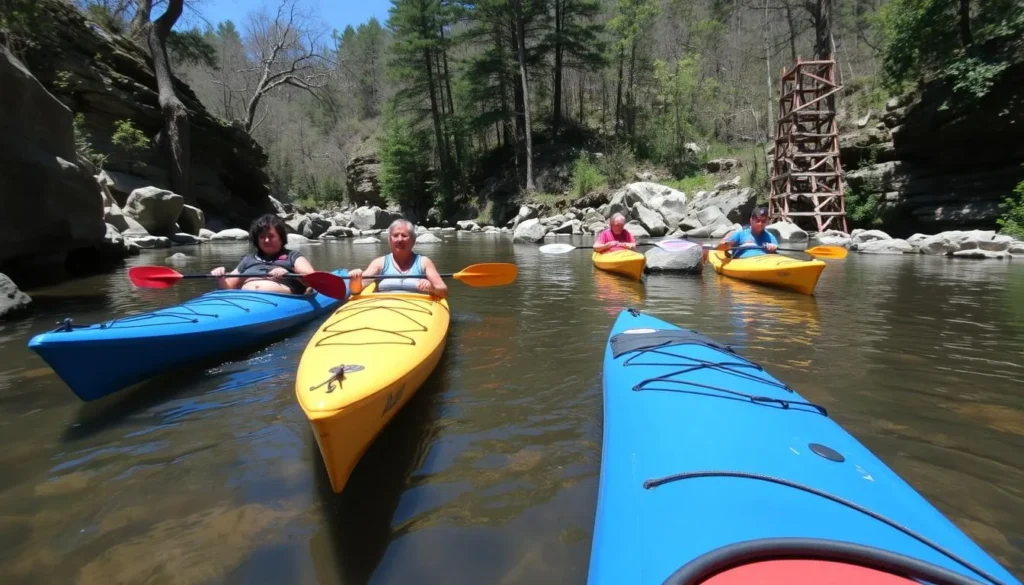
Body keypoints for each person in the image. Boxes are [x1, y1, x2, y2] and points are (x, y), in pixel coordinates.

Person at [209, 214, 315, 294]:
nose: (266, 240)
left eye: (271, 236)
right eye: (262, 237)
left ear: (281, 238)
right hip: (246, 301)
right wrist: (220, 277)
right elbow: (228, 288)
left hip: (282, 301)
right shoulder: (248, 260)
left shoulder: (293, 256)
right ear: (257, 240)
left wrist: (289, 273)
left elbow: (313, 280)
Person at [348, 219, 448, 298]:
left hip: (417, 309)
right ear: (390, 240)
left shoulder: (424, 262)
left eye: (404, 236)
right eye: (395, 236)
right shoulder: (379, 263)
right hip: (385, 309)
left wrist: (432, 288)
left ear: (413, 240)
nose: (400, 239)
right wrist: (355, 280)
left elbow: (443, 291)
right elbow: (356, 290)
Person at [714, 206, 779, 259]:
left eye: (763, 221)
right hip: (743, 262)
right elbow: (720, 249)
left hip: (763, 261)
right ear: (751, 220)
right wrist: (726, 245)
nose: (760, 224)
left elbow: (775, 255)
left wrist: (773, 250)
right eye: (758, 221)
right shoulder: (740, 233)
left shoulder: (770, 237)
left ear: (767, 221)